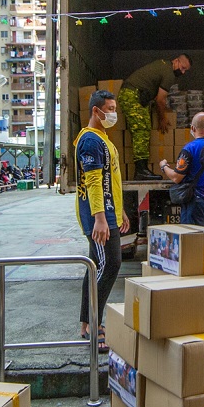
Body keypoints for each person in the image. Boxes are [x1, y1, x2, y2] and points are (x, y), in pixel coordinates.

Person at [74, 89, 130, 351]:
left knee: (95, 266)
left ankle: (87, 323)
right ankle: (94, 326)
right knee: (110, 266)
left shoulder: (102, 139)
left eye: (114, 108)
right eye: (109, 108)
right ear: (96, 111)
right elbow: (94, 181)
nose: (113, 113)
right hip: (99, 217)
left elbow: (110, 181)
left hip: (108, 214)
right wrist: (100, 219)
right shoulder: (91, 141)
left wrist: (120, 213)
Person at [117, 54, 192, 180]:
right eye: (182, 68)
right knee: (141, 130)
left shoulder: (163, 66)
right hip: (132, 95)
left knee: (144, 128)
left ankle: (142, 169)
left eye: (185, 70)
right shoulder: (169, 73)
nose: (183, 72)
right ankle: (141, 171)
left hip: (137, 96)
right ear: (176, 61)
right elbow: (160, 100)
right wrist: (162, 118)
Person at [157, 112, 204, 227]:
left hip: (194, 202)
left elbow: (176, 177)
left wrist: (164, 166)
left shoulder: (190, 148)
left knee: (192, 239)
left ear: (193, 128)